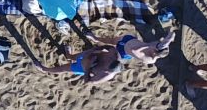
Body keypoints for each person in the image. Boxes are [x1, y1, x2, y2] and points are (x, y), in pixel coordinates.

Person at [37, 33, 170, 84]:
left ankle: (44, 69)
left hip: (83, 66)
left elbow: (88, 81)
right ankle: (69, 56)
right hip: (91, 56)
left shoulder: (106, 75)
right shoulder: (113, 54)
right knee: (78, 55)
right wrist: (95, 49)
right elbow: (107, 45)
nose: (109, 60)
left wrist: (88, 68)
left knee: (63, 68)